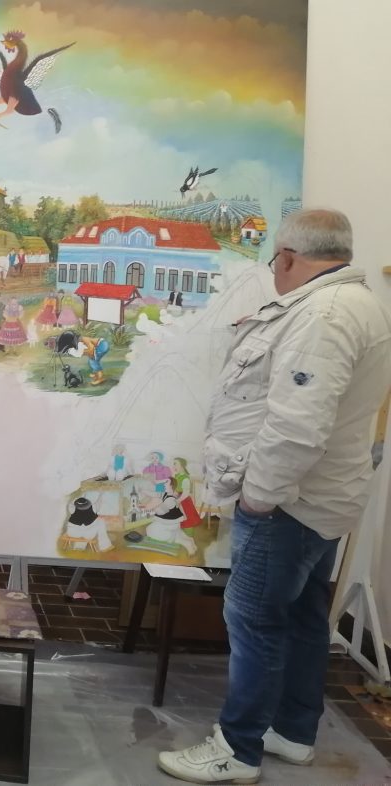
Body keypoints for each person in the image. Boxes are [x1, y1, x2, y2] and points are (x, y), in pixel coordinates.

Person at [159, 209, 391, 783]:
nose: (275, 274)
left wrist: (258, 498)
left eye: (274, 263)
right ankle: (291, 732)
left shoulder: (323, 315)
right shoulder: (353, 305)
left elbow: (298, 427)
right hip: (322, 500)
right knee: (305, 616)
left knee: (254, 621)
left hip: (289, 503)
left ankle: (235, 751)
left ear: (287, 257)